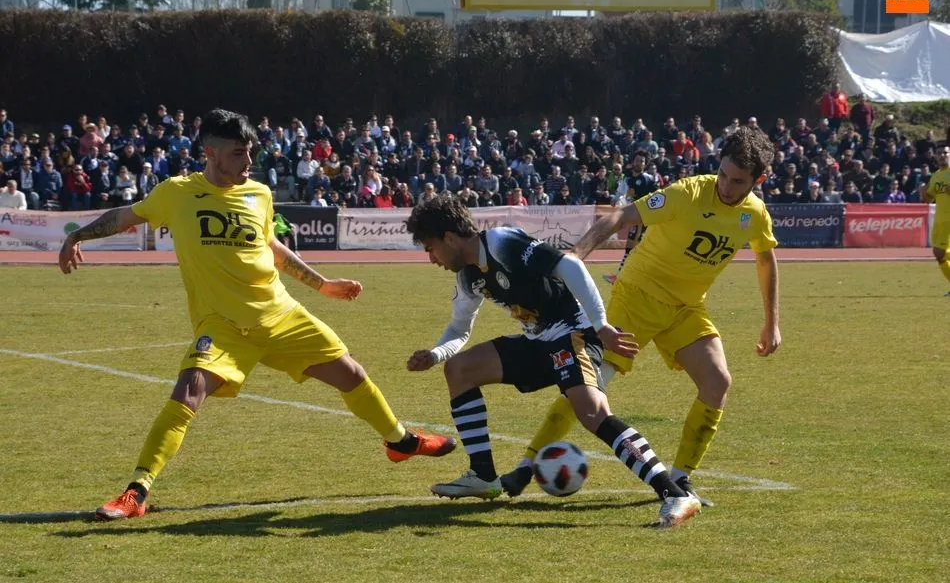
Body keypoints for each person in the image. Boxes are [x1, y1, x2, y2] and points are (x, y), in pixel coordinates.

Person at [58, 109, 456, 521]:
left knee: (352, 374)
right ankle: (137, 491)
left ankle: (400, 442)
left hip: (280, 314)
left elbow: (271, 247)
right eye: (238, 153)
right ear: (211, 153)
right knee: (187, 393)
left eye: (250, 152)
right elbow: (123, 216)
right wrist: (77, 235)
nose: (248, 162)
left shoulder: (259, 194)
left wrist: (321, 284)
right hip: (223, 326)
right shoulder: (176, 192)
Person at [500, 126, 782, 507]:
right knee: (590, 383)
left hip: (685, 308)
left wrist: (771, 322)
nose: (726, 187)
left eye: (738, 182)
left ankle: (680, 480)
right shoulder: (687, 193)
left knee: (718, 382)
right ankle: (526, 464)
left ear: (758, 180)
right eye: (723, 175)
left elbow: (765, 259)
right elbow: (621, 216)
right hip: (637, 297)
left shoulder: (755, 213)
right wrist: (576, 256)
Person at [404, 195, 701, 529]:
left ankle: (675, 493)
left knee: (593, 414)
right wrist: (435, 354)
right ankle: (483, 476)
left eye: (430, 248)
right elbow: (459, 329)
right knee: (459, 369)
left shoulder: (501, 242)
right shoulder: (467, 276)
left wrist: (601, 325)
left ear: (449, 237)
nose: (431, 258)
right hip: (539, 343)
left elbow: (571, 266)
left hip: (574, 335)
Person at [604, 151, 659, 284]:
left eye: (642, 161)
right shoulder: (627, 178)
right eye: (637, 160)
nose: (639, 163)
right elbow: (620, 192)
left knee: (631, 246)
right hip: (634, 217)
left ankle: (620, 277)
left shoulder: (648, 180)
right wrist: (614, 199)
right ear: (633, 162)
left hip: (643, 219)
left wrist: (650, 212)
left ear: (645, 164)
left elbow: (658, 197)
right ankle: (636, 276)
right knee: (635, 247)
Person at [923, 145, 950, 295]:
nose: (942, 155)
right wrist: (924, 193)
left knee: (940, 253)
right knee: (939, 256)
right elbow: (928, 199)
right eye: (939, 153)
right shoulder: (936, 176)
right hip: (940, 220)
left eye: (945, 153)